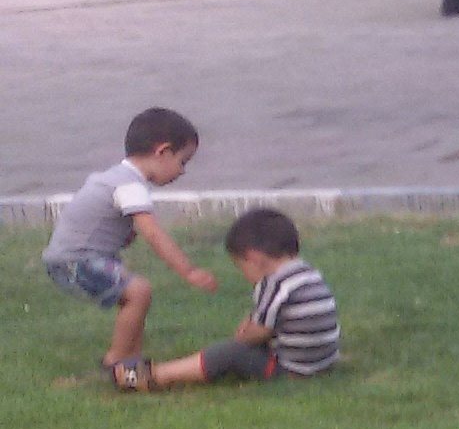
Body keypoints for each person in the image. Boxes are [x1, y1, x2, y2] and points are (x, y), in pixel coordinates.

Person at [39, 108, 217, 387]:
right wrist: (189, 271)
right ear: (163, 152)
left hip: (71, 256)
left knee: (134, 295)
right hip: (74, 260)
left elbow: (97, 220)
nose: (183, 171)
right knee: (138, 291)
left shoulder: (116, 177)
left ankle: (132, 360)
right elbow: (153, 234)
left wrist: (121, 235)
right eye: (182, 161)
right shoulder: (130, 186)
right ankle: (116, 363)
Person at [130, 208, 340, 392]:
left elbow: (259, 332)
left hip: (292, 369)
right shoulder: (308, 273)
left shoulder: (274, 284)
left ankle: (157, 375)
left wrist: (241, 338)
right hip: (321, 361)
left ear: (253, 258)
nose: (245, 275)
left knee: (230, 353)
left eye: (241, 266)